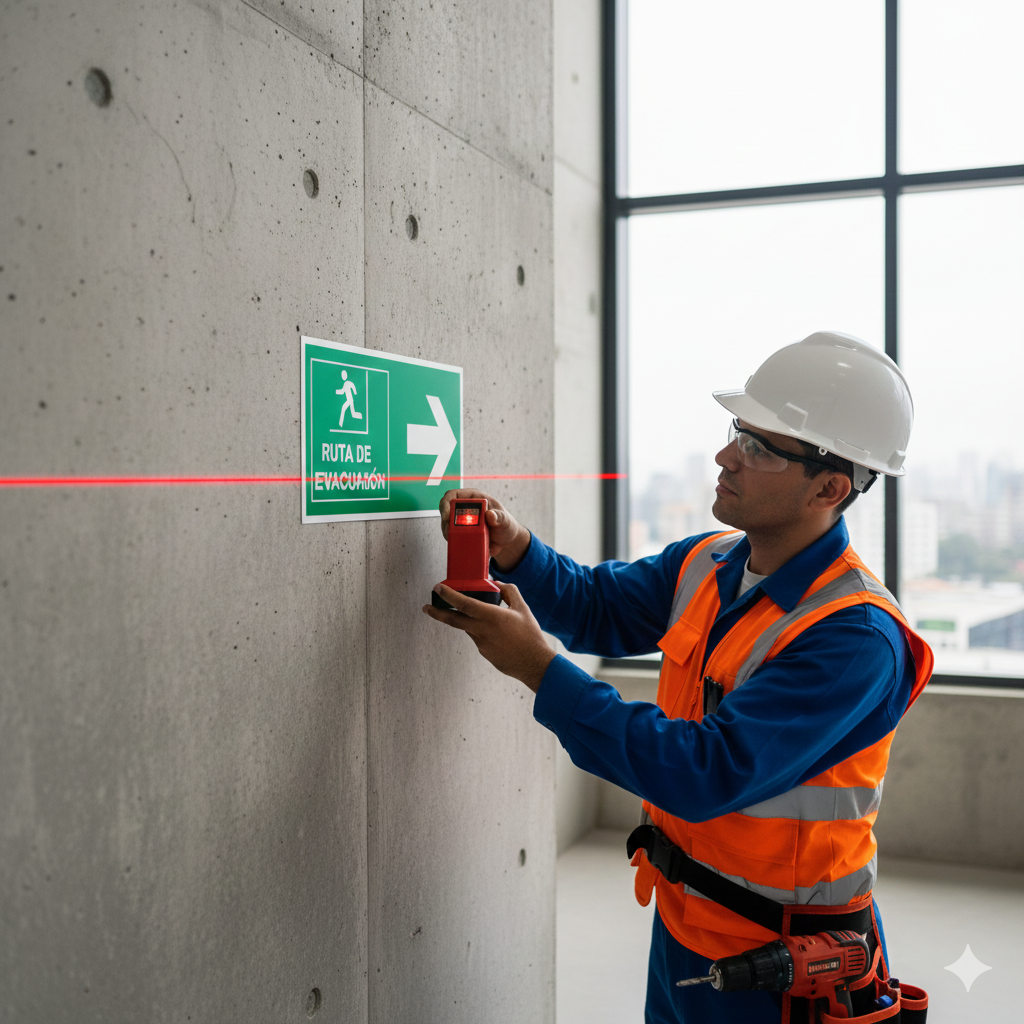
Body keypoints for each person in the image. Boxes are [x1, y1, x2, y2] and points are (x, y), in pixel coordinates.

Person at [423, 331, 933, 1024]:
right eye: (738, 433)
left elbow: (704, 771)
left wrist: (540, 670)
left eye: (760, 448)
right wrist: (516, 550)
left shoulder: (855, 639)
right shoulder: (709, 562)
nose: (726, 456)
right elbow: (597, 605)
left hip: (786, 971)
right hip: (689, 931)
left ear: (830, 487)